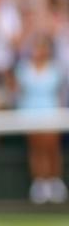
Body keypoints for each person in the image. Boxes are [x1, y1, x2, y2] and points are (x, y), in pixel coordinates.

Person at [12, 35, 68, 205]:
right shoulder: (23, 69)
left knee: (52, 147)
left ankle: (54, 181)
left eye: (42, 48)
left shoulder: (55, 69)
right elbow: (18, 91)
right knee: (36, 149)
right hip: (29, 113)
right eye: (36, 47)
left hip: (51, 112)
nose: (39, 51)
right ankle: (40, 183)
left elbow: (59, 95)